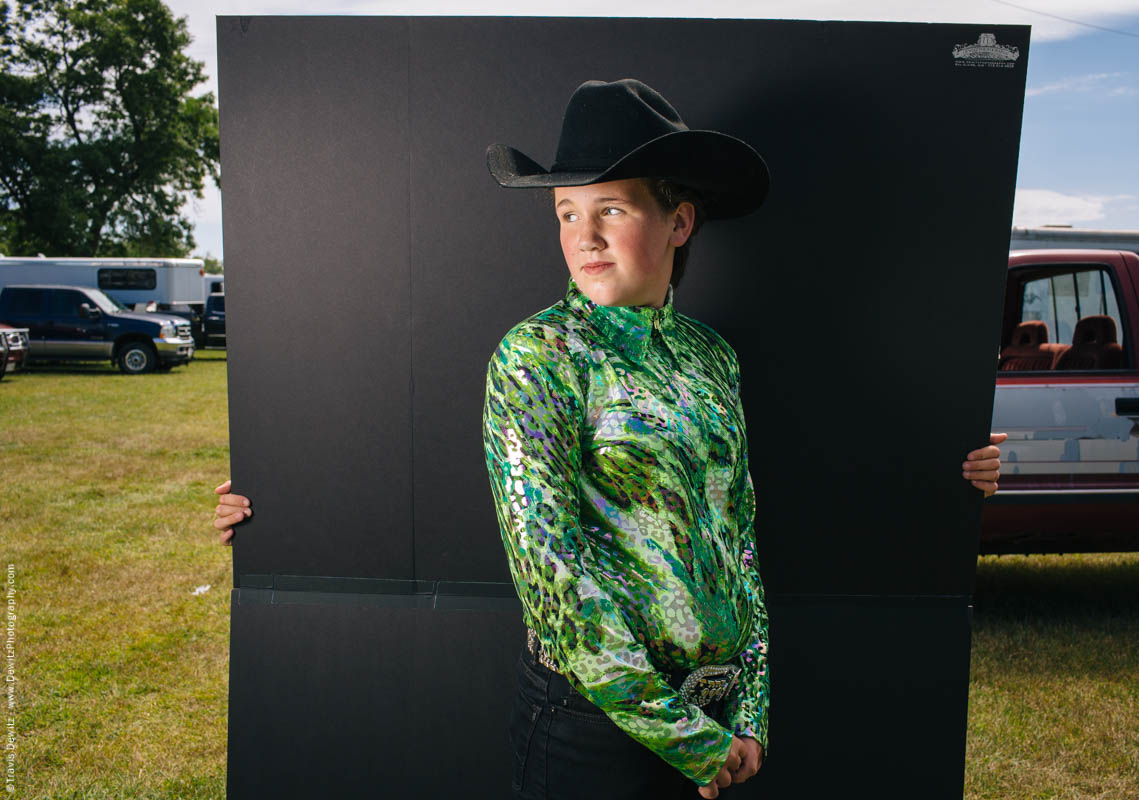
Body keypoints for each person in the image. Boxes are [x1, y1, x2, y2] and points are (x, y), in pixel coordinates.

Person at [212, 79, 1009, 799]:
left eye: (613, 210)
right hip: (590, 732)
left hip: (713, 724)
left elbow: (737, 538)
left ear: (680, 222)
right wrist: (690, 740)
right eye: (567, 212)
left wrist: (750, 714)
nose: (583, 236)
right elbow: (556, 582)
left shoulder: (711, 358)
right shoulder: (538, 358)